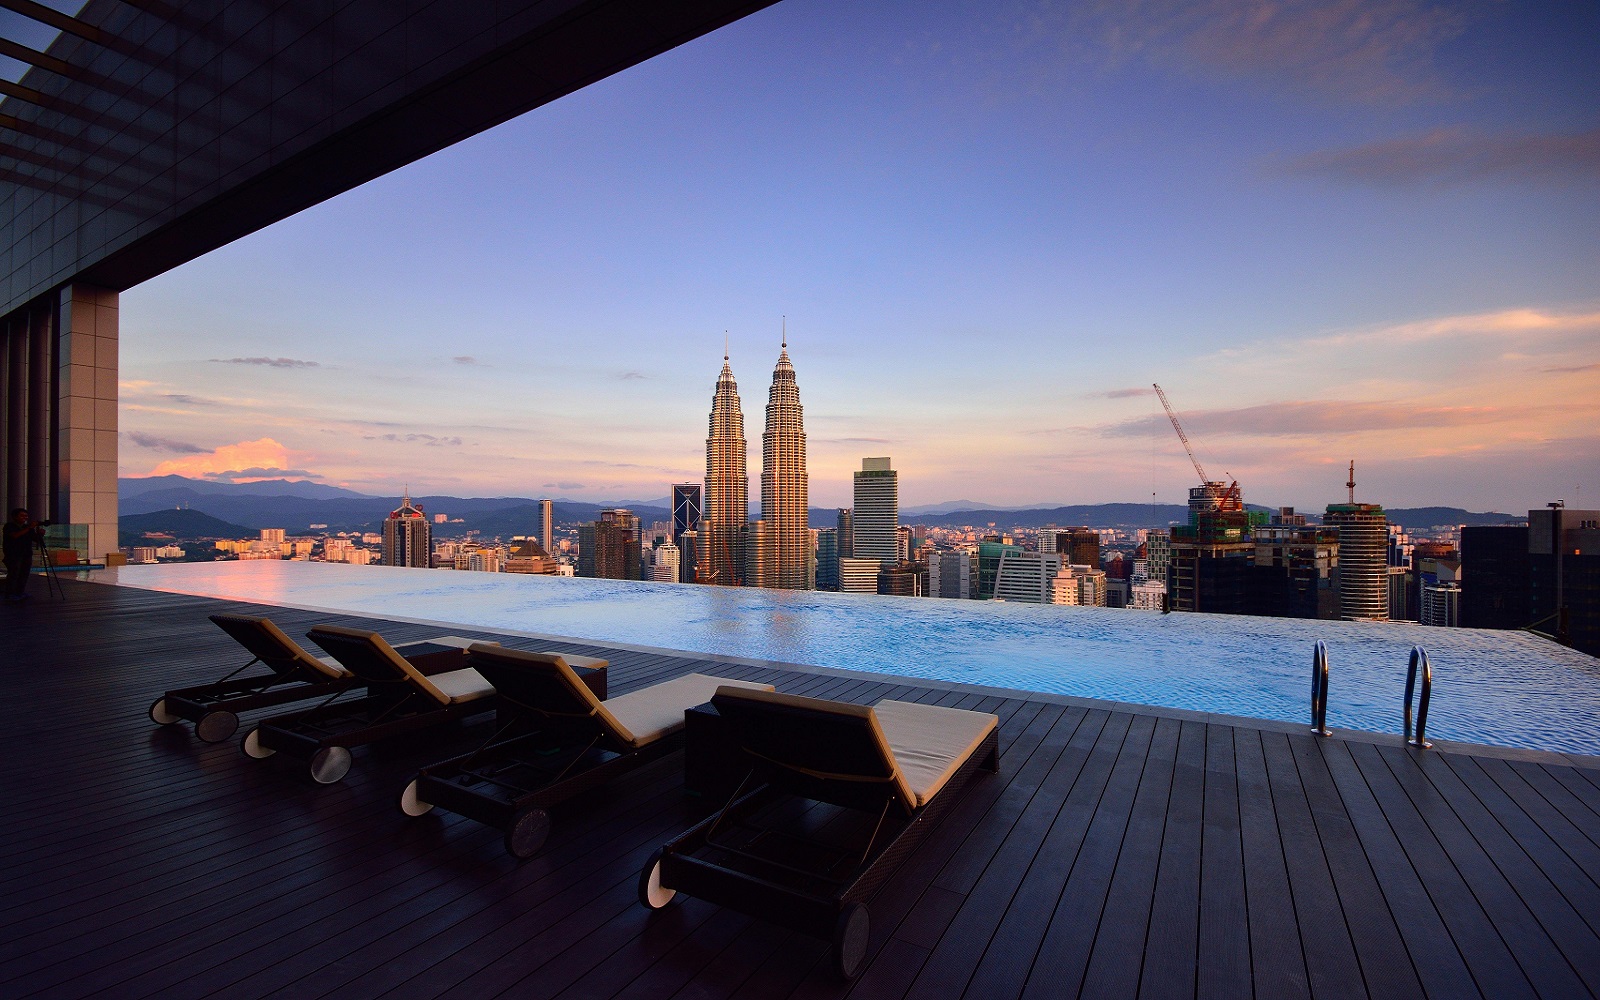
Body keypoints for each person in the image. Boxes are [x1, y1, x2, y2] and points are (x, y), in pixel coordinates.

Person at [3, 508, 45, 602]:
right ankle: (10, 594)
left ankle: (20, 592)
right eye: (22, 516)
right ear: (15, 517)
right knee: (14, 574)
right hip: (13, 555)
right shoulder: (9, 526)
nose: (25, 518)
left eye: (26, 516)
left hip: (26, 554)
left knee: (24, 574)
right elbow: (14, 535)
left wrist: (40, 534)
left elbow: (35, 539)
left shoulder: (27, 528)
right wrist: (29, 528)